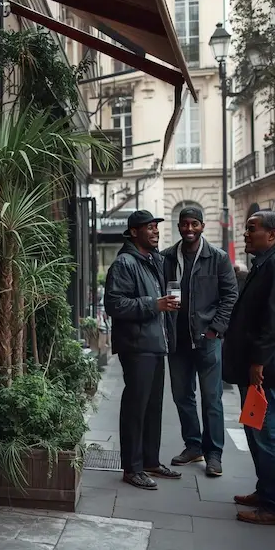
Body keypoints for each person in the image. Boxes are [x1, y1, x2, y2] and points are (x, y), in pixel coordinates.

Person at [223, 211, 275, 527]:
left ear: (272, 234)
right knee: (256, 428)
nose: (246, 234)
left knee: (268, 431)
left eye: (253, 229)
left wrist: (258, 362)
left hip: (266, 367)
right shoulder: (265, 262)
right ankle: (267, 491)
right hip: (256, 364)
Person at [105, 210, 182, 490]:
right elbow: (115, 304)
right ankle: (132, 467)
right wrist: (154, 304)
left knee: (153, 407)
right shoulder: (124, 263)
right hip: (136, 346)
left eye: (156, 228)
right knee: (135, 408)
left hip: (155, 343)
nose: (155, 232)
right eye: (149, 228)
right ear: (134, 232)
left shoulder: (153, 260)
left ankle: (150, 460)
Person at [162, 206, 238, 477]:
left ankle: (214, 454)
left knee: (212, 399)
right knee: (182, 396)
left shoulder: (217, 258)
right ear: (179, 226)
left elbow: (230, 296)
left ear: (202, 226)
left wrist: (215, 329)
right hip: (178, 342)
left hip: (207, 340)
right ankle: (193, 446)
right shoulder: (167, 257)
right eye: (185, 224)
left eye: (194, 224)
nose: (189, 229)